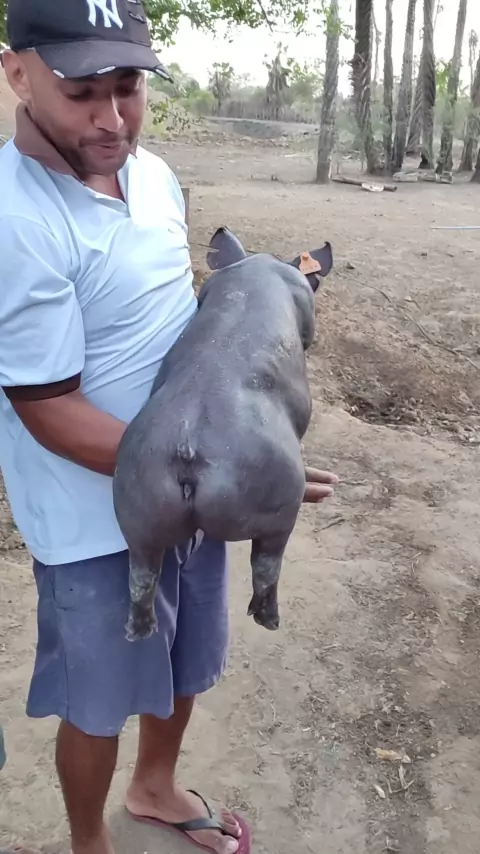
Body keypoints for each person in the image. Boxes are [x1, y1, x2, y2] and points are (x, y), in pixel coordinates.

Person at [0, 1, 338, 853]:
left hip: (194, 479)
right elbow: (47, 410)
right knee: (97, 698)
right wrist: (223, 463)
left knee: (185, 653)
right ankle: (88, 841)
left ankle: (154, 785)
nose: (112, 120)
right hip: (92, 517)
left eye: (128, 88)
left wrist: (241, 446)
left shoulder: (151, 175)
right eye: (82, 93)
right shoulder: (14, 221)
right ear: (17, 73)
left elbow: (172, 317)